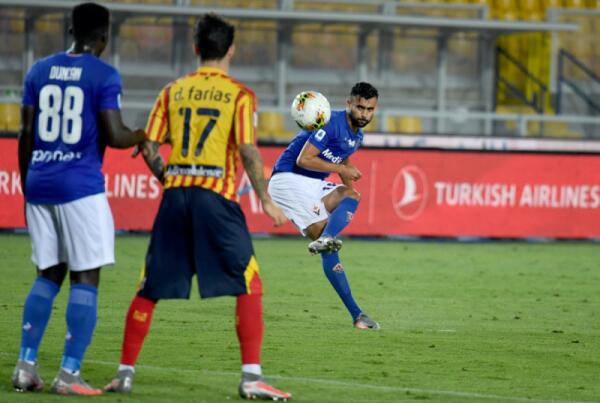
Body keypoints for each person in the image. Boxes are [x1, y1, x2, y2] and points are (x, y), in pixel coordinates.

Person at [104, 14, 291, 401]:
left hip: (175, 197)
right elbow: (247, 149)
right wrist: (265, 199)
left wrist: (169, 178)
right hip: (216, 199)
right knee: (249, 282)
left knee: (149, 285)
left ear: (195, 48)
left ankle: (124, 373)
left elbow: (149, 146)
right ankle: (251, 377)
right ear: (231, 50)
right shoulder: (240, 95)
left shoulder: (172, 91)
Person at [12, 2, 147, 396]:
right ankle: (69, 374)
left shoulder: (38, 70)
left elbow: (25, 134)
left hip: (39, 182)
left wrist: (27, 185)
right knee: (85, 277)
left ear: (71, 31)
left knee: (48, 273)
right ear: (104, 36)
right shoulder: (104, 74)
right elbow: (116, 135)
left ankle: (25, 367)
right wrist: (144, 134)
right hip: (80, 186)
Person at [268, 82, 380, 331]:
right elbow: (304, 159)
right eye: (360, 107)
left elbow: (343, 159)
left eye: (370, 109)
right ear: (349, 104)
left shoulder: (357, 136)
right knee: (326, 243)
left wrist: (350, 193)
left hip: (311, 183)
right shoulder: (331, 122)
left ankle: (358, 316)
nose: (364, 114)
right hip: (288, 179)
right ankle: (357, 315)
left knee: (352, 196)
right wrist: (342, 169)